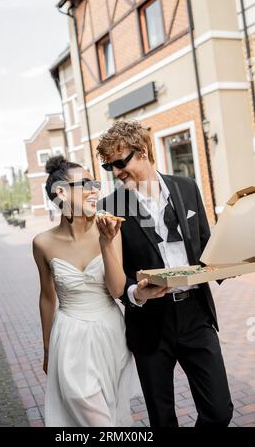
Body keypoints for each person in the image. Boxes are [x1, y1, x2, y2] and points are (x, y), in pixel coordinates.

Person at [97, 120, 233, 428]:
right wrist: (136, 294)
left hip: (196, 314)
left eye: (121, 162)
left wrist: (231, 260)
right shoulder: (111, 206)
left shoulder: (186, 187)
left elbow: (205, 243)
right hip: (149, 323)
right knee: (162, 419)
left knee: (219, 411)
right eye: (110, 168)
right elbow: (116, 276)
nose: (116, 172)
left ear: (142, 151)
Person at [32, 155, 142, 427]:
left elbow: (117, 289)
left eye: (95, 182)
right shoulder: (42, 243)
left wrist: (107, 242)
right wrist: (48, 350)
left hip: (111, 334)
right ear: (61, 192)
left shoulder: (110, 227)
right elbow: (47, 297)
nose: (95, 189)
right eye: (85, 183)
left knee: (114, 413)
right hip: (70, 337)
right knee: (95, 417)